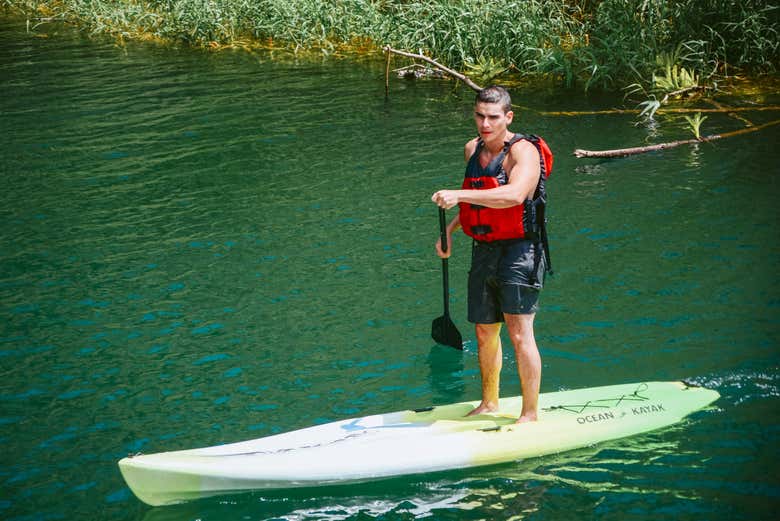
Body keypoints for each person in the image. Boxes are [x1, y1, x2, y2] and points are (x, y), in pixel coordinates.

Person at [431, 85, 550, 424]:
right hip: (483, 249)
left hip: (521, 249)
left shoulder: (523, 152)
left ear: (508, 117)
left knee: (518, 331)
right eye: (480, 116)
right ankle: (489, 403)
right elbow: (477, 200)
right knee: (484, 330)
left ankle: (529, 414)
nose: (485, 124)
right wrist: (450, 230)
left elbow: (513, 195)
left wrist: (457, 193)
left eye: (493, 117)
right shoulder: (472, 149)